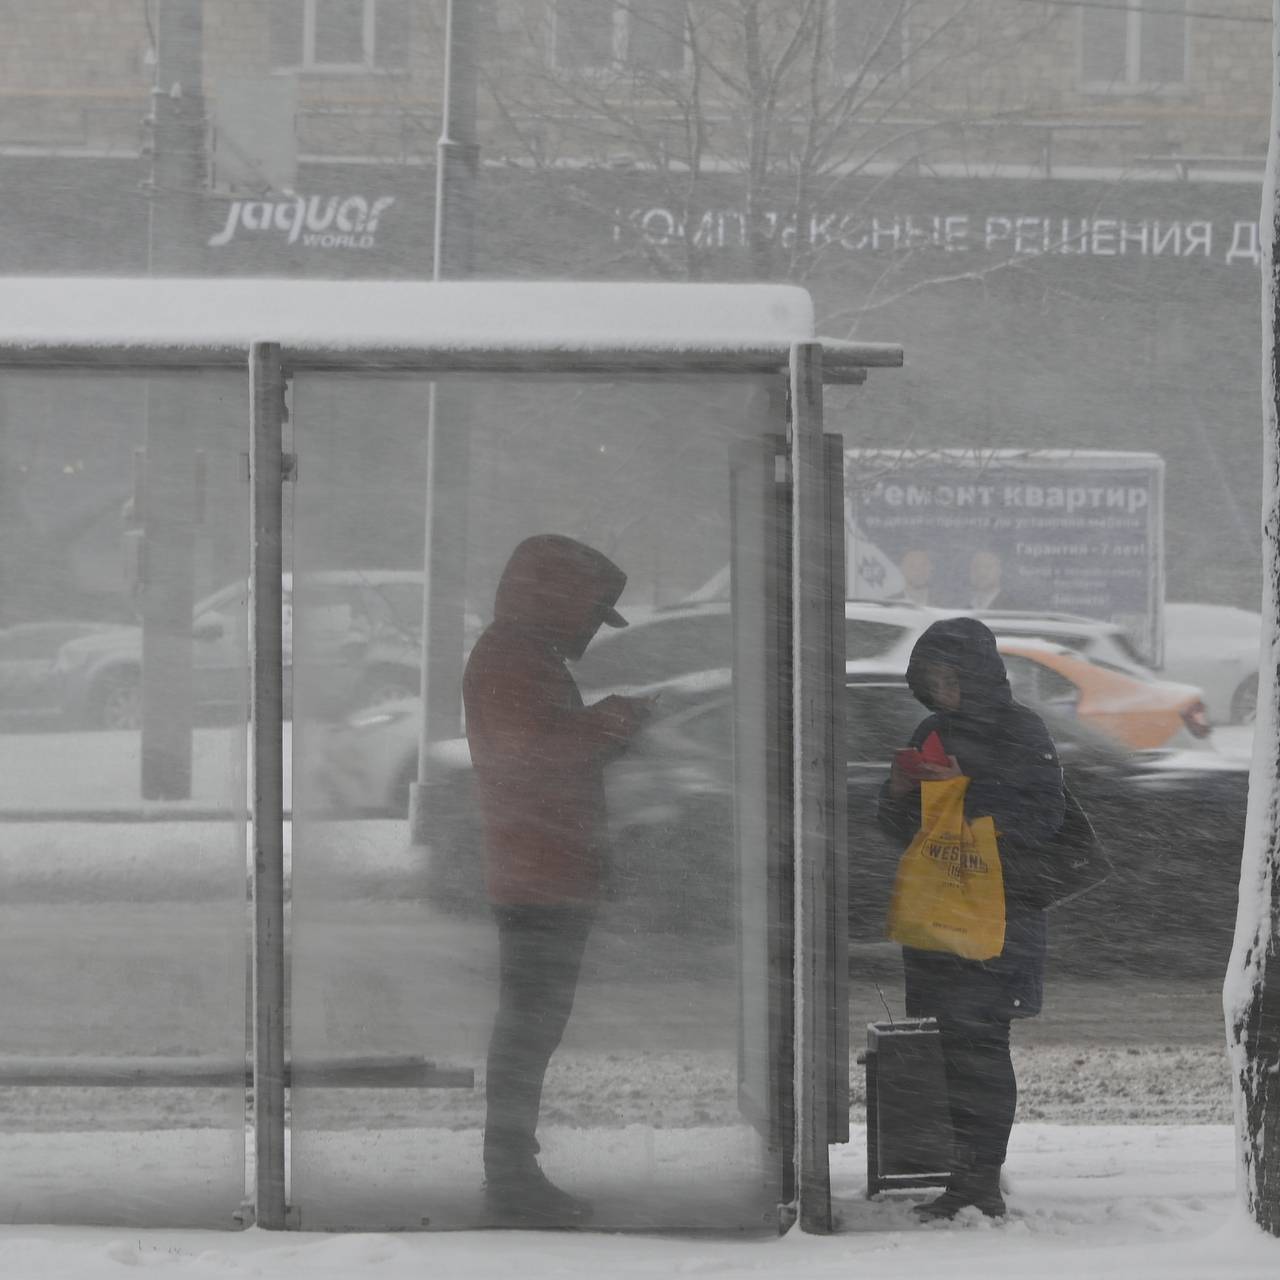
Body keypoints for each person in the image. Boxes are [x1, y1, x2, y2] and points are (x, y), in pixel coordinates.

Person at [463, 534, 655, 1226]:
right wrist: (611, 722)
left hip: (546, 866)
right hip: (537, 873)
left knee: (532, 1026)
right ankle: (511, 1173)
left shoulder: (523, 655)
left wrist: (604, 729)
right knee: (528, 1027)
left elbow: (541, 751)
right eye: (591, 614)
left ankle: (513, 1167)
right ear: (561, 601)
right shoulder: (513, 658)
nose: (589, 631)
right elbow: (532, 760)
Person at [877, 617, 1065, 1220]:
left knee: (982, 1046)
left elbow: (1041, 822)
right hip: (942, 913)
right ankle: (970, 1174)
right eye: (931, 679)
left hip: (998, 915)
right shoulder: (933, 728)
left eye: (951, 677)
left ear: (980, 677)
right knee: (957, 1048)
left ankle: (978, 1178)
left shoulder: (1021, 730)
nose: (942, 690)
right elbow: (897, 830)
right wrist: (903, 790)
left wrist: (964, 790)